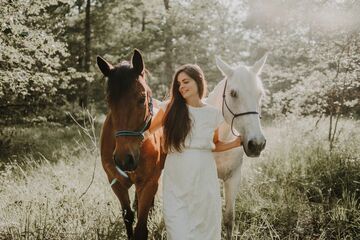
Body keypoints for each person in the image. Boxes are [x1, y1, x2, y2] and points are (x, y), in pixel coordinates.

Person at [146, 64, 242, 240]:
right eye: (178, 84)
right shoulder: (170, 108)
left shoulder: (213, 114)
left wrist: (235, 143)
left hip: (204, 174)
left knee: (206, 223)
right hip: (177, 173)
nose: (181, 87)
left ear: (198, 81)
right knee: (177, 224)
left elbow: (214, 145)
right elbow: (148, 132)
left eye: (185, 81)